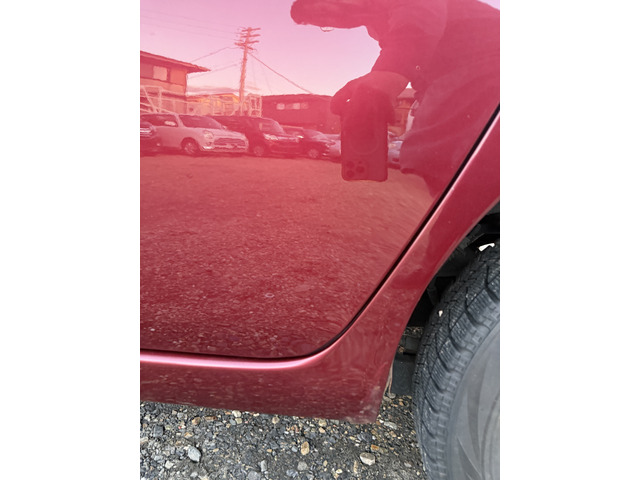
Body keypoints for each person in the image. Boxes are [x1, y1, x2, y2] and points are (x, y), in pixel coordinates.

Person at [290, 0, 499, 187]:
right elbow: (399, 50)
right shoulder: (374, 25)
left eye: (325, 10)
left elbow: (418, 15)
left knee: (432, 154)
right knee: (430, 156)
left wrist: (387, 76)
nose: (335, 20)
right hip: (453, 75)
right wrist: (375, 80)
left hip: (488, 57)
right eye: (325, 23)